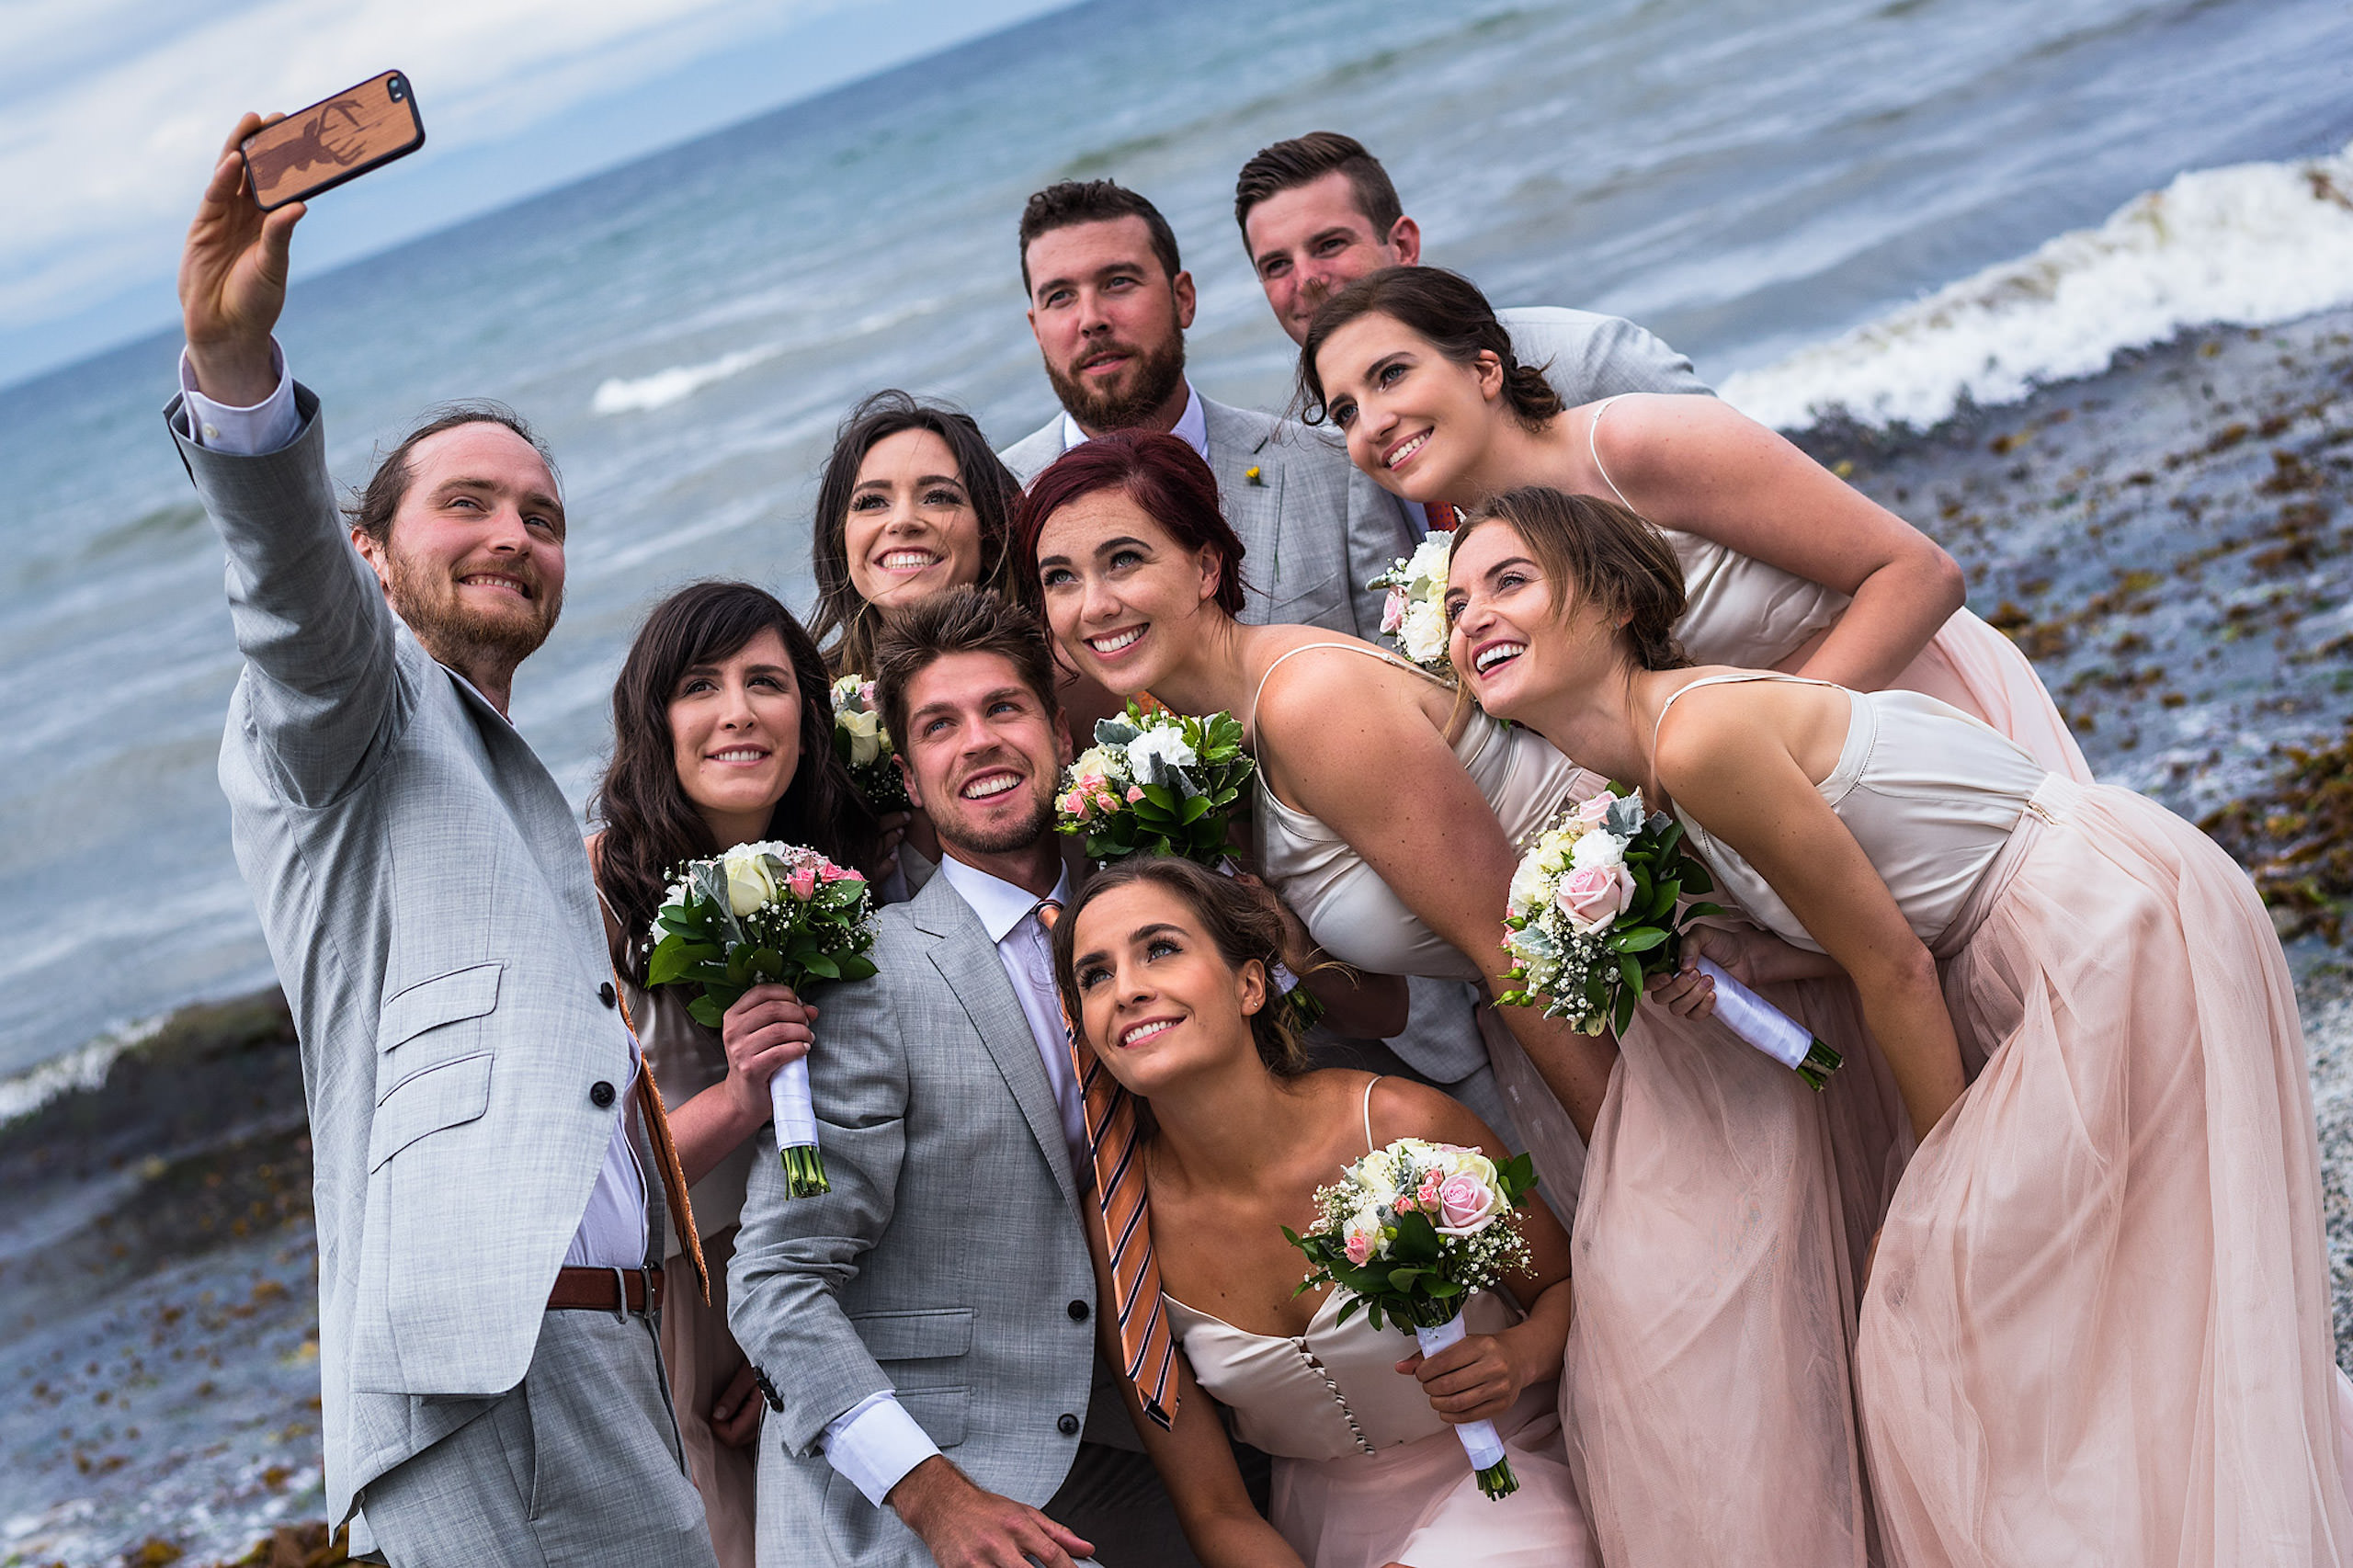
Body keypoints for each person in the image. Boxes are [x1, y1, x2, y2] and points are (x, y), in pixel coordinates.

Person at [1449, 486, 2353, 1567]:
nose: (1472, 619)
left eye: (1509, 581)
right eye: (1455, 603)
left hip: (2106, 924)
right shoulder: (1642, 778)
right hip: (2030, 942)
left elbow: (1895, 963)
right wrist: (1748, 960)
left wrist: (1934, 1180)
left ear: (1609, 598)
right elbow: (1864, 924)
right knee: (2090, 1305)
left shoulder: (1696, 738)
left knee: (1974, 1304)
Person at [1027, 434, 1884, 1566]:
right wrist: (1284, 944)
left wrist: (1637, 1168)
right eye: (1059, 578)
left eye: (1122, 560)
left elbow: (1503, 946)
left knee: (1748, 1367)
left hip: (1649, 1011)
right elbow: (1381, 1004)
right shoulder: (1227, 739)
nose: (1093, 603)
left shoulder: (1308, 698)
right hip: (1559, 1035)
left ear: (1203, 565)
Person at [169, 116, 714, 1564]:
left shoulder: (502, 768)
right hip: (490, 1375)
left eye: (542, 515)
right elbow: (288, 603)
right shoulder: (347, 710)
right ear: (370, 548)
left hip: (603, 1363)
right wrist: (239, 376)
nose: (514, 533)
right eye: (465, 502)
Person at [730, 589, 1370, 1568]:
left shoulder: (1173, 915)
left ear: (1060, 734)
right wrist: (935, 1496)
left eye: (1003, 709)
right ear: (906, 771)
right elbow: (776, 1279)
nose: (977, 742)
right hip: (944, 1468)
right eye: (939, 726)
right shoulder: (866, 974)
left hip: (1180, 1419)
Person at [999, 183, 1513, 1154]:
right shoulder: (1001, 507)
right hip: (1194, 1055)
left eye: (1120, 283)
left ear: (1183, 295)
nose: (1092, 318)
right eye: (1060, 297)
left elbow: (1437, 701)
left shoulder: (1323, 463)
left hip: (1420, 991)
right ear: (1034, 323)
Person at [1303, 265, 2094, 782]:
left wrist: (1753, 750)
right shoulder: (1476, 574)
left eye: (1391, 375)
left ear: (1483, 370)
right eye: (1345, 410)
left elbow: (1921, 575)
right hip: (1778, 819)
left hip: (1915, 728)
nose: (1371, 422)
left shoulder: (1634, 445)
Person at [1049, 857, 1595, 1567]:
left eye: (1160, 949)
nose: (1127, 991)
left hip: (1513, 1476)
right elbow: (1215, 1510)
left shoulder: (1402, 1122)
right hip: (1318, 1529)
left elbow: (1566, 1287)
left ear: (1250, 984)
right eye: (1095, 976)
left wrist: (1516, 1357)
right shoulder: (1121, 1228)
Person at [590, 581, 882, 1568]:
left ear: (808, 713)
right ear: (653, 721)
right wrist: (739, 1097)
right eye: (699, 686)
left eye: (767, 682)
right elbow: (575, 1181)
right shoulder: (592, 896)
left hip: (835, 1286)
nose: (738, 712)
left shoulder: (849, 885)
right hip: (669, 1307)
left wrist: (796, 1344)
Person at [808, 390, 1122, 894]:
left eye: (938, 496)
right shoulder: (807, 713)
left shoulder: (1075, 676)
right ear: (839, 539)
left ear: (989, 528)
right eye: (871, 502)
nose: (903, 520)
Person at [1233, 130, 1707, 429]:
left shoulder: (1587, 356)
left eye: (1330, 244)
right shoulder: (1324, 443)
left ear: (1402, 246)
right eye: (1276, 265)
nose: (1307, 280)